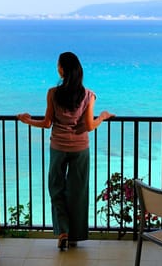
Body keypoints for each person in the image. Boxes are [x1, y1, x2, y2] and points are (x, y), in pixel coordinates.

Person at [17, 52, 114, 250]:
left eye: (58, 65)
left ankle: (63, 230)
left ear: (63, 70)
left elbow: (47, 123)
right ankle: (74, 235)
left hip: (58, 147)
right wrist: (102, 117)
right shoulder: (88, 95)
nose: (57, 68)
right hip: (80, 148)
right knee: (77, 191)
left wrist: (26, 120)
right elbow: (88, 125)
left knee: (56, 188)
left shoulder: (53, 93)